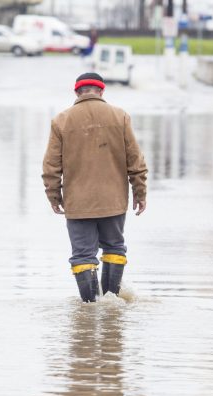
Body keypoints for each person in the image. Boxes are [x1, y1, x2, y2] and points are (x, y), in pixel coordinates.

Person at [42, 72, 148, 303]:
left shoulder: (61, 121)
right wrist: (140, 192)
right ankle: (112, 304)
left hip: (78, 203)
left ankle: (90, 309)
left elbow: (51, 165)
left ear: (77, 92)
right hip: (114, 202)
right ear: (101, 91)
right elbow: (135, 160)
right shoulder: (120, 117)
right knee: (115, 248)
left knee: (82, 256)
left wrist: (53, 195)